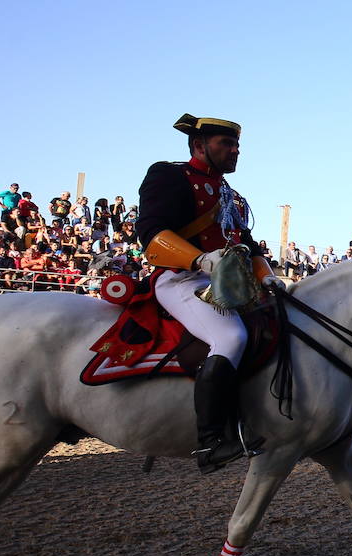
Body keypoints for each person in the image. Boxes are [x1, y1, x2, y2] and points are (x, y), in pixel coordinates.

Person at [137, 113, 282, 474]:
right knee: (230, 337)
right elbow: (151, 234)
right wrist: (199, 259)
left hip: (229, 284)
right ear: (199, 146)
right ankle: (210, 440)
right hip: (182, 279)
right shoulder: (169, 175)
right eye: (226, 144)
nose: (235, 151)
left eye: (237, 145)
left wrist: (267, 277)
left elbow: (248, 245)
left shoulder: (230, 194)